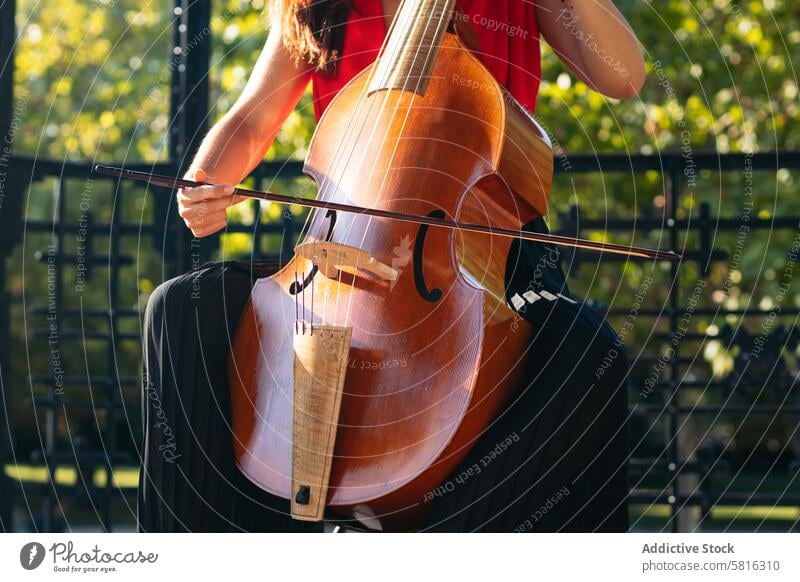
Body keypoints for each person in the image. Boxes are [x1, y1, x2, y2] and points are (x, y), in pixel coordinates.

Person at [138, 0, 646, 532]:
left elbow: (621, 75)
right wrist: (205, 176)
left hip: (486, 246)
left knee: (588, 352)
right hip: (344, 244)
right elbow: (253, 117)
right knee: (178, 309)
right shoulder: (316, 6)